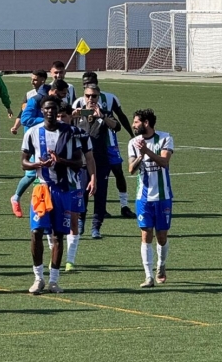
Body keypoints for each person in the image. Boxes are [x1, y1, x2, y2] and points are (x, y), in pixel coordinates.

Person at [21, 96, 84, 294]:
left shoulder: (70, 132)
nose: (50, 111)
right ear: (42, 111)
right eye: (46, 108)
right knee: (36, 232)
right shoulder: (33, 132)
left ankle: (54, 281)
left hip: (62, 189)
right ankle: (38, 278)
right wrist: (38, 164)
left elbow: (79, 162)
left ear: (58, 111)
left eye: (53, 108)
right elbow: (23, 162)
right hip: (41, 188)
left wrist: (60, 161)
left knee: (58, 235)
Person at [75, 82, 136, 233]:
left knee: (100, 194)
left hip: (101, 161)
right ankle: (81, 221)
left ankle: (96, 227)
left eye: (94, 96)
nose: (90, 99)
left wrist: (101, 116)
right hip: (82, 162)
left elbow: (116, 126)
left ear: (98, 97)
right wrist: (74, 115)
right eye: (88, 96)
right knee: (82, 193)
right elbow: (64, 122)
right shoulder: (78, 112)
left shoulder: (105, 113)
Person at [127, 109, 174, 288]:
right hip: (143, 198)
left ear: (146, 123)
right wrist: (140, 155)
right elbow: (131, 169)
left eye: (136, 122)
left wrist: (146, 151)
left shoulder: (165, 138)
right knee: (146, 234)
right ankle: (148, 276)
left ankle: (161, 265)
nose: (133, 125)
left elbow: (164, 162)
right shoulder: (133, 143)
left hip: (163, 196)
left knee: (161, 236)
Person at [11, 80, 68, 217]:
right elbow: (25, 119)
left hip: (55, 140)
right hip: (37, 142)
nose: (64, 97)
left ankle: (53, 203)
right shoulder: (35, 100)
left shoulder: (58, 103)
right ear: (54, 92)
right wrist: (47, 120)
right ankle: (17, 198)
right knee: (33, 174)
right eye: (62, 94)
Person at [57, 103, 95, 272]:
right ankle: (54, 258)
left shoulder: (80, 134)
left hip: (74, 183)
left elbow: (90, 158)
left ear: (71, 116)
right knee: (53, 222)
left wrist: (93, 178)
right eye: (58, 116)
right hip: (52, 184)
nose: (60, 119)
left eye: (63, 116)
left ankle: (70, 260)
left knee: (74, 220)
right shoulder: (46, 133)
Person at [10, 70, 49, 135]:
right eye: (31, 79)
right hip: (29, 131)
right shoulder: (29, 94)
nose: (32, 82)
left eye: (35, 80)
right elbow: (23, 112)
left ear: (43, 80)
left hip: (44, 131)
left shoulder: (50, 93)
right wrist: (15, 127)